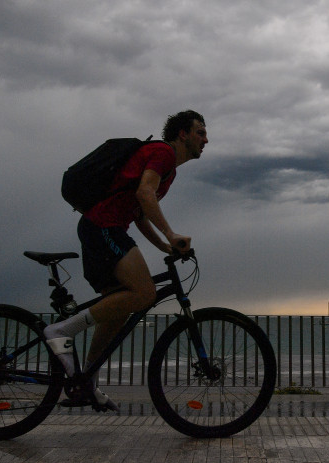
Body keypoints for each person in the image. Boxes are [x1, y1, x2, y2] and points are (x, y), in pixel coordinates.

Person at [44, 110, 208, 411]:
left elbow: (140, 213)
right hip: (103, 226)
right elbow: (145, 193)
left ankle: (86, 383)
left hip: (105, 228)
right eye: (200, 132)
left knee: (119, 308)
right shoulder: (162, 153)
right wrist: (171, 234)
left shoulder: (169, 172)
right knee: (144, 294)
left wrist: (165, 246)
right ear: (182, 134)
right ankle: (61, 331)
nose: (206, 139)